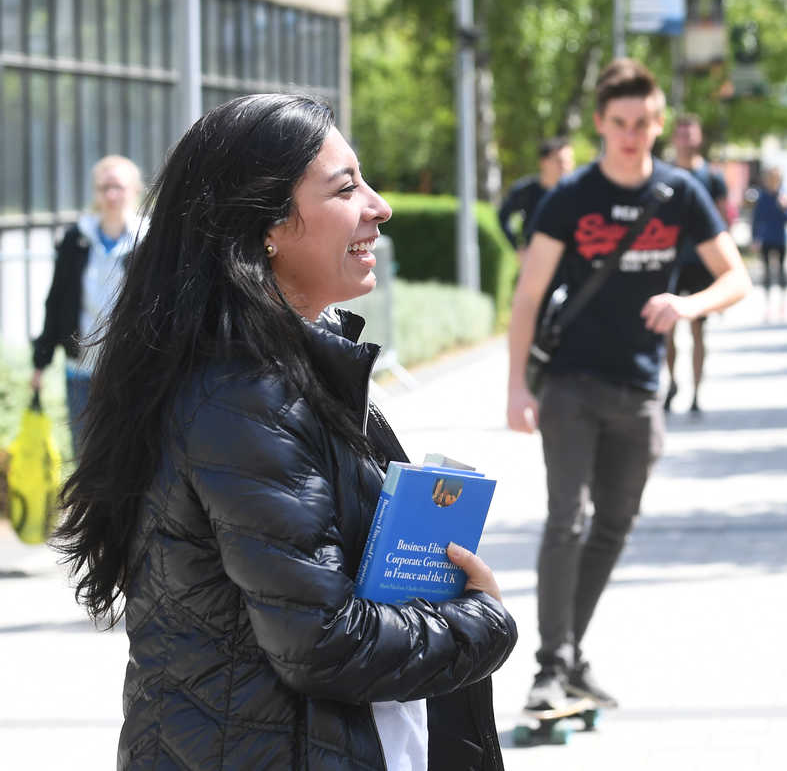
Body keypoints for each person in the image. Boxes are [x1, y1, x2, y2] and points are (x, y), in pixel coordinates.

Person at [51, 95, 516, 770]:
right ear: (265, 223)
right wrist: (478, 625)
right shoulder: (245, 395)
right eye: (346, 187)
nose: (379, 207)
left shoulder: (277, 369)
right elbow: (323, 642)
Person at [504, 59, 750, 713]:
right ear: (600, 124)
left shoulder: (679, 193)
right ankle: (550, 667)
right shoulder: (571, 196)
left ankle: (571, 655)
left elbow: (736, 278)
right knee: (567, 519)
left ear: (659, 122)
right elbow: (527, 296)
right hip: (570, 385)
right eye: (620, 123)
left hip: (640, 390)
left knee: (613, 524)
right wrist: (515, 389)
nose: (633, 134)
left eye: (643, 122)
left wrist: (687, 305)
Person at [30, 155, 144, 451]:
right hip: (81, 369)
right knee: (86, 454)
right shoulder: (77, 239)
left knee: (129, 454)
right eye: (104, 187)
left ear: (134, 190)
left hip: (130, 369)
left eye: (118, 186)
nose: (111, 195)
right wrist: (40, 361)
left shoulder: (147, 240)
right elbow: (57, 300)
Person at [665, 113, 730, 414]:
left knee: (697, 331)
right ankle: (671, 384)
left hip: (701, 264)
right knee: (666, 329)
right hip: (670, 261)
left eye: (690, 133)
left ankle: (696, 393)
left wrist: (725, 273)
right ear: (674, 138)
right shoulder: (663, 174)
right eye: (681, 134)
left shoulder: (713, 178)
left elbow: (722, 222)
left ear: (699, 137)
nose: (685, 139)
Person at [498, 136, 576, 252]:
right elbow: (502, 218)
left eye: (569, 161)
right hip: (536, 259)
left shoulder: (576, 193)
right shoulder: (525, 191)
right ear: (543, 162)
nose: (565, 166)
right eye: (560, 161)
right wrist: (516, 247)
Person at [749, 165, 787, 322]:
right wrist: (755, 238)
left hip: (780, 238)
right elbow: (756, 219)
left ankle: (783, 305)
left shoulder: (784, 196)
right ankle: (768, 306)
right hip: (766, 239)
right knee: (767, 272)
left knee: (781, 270)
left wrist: (786, 208)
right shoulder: (762, 197)